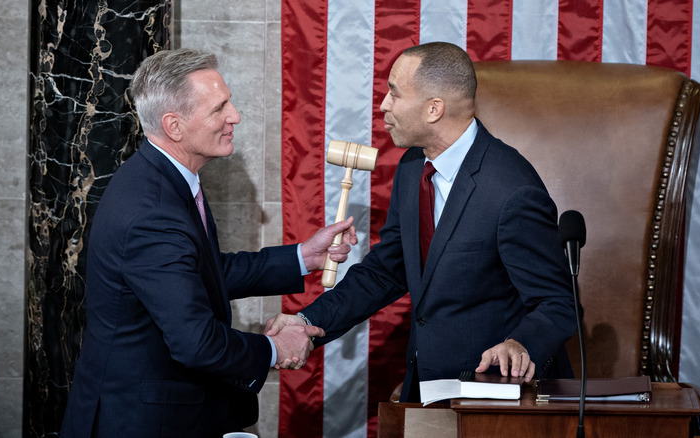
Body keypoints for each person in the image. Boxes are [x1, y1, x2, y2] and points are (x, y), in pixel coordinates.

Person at [60, 48, 357, 437]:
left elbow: (199, 273)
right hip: (141, 421)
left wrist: (303, 256)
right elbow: (196, 342)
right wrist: (275, 349)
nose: (234, 115)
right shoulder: (153, 211)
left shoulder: (161, 177)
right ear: (175, 126)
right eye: (219, 108)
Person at [266, 42, 578, 402]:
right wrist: (308, 324)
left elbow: (558, 302)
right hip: (425, 389)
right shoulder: (413, 166)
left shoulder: (512, 191)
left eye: (394, 94)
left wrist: (519, 343)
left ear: (434, 109)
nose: (383, 105)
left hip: (492, 398)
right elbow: (387, 270)